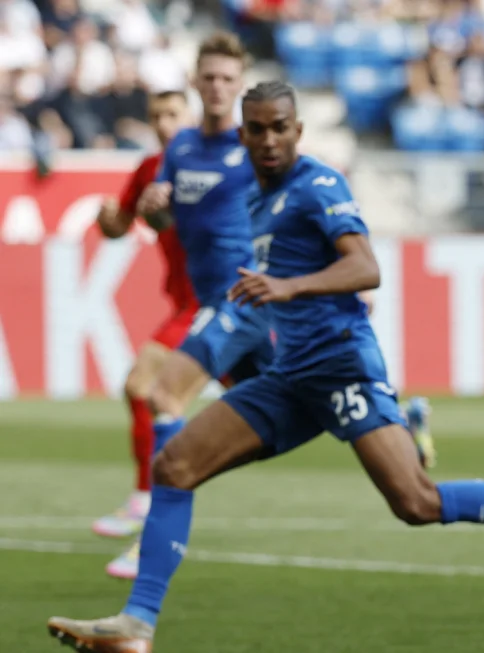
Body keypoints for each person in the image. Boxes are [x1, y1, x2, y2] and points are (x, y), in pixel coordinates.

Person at [46, 81, 484, 653]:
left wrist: (289, 287)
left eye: (280, 128)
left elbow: (365, 268)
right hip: (291, 377)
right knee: (174, 465)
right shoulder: (256, 200)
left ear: (297, 132)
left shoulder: (317, 185)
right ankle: (137, 625)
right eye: (258, 129)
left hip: (342, 366)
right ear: (243, 136)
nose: (269, 139)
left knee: (416, 503)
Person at [93, 32, 280, 582]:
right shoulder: (174, 154)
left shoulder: (257, 146)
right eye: (210, 78)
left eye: (227, 79)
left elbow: (295, 204)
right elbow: (149, 224)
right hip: (201, 303)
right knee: (283, 409)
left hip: (235, 303)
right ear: (198, 82)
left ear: (238, 85)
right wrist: (151, 209)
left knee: (156, 391)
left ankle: (149, 519)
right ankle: (390, 410)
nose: (217, 88)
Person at [90, 90, 197, 578]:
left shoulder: (208, 164)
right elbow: (119, 226)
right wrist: (109, 218)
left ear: (190, 116)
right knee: (280, 404)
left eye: (173, 113)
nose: (163, 122)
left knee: (145, 388)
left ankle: (151, 511)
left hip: (215, 301)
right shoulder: (149, 167)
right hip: (185, 302)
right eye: (157, 115)